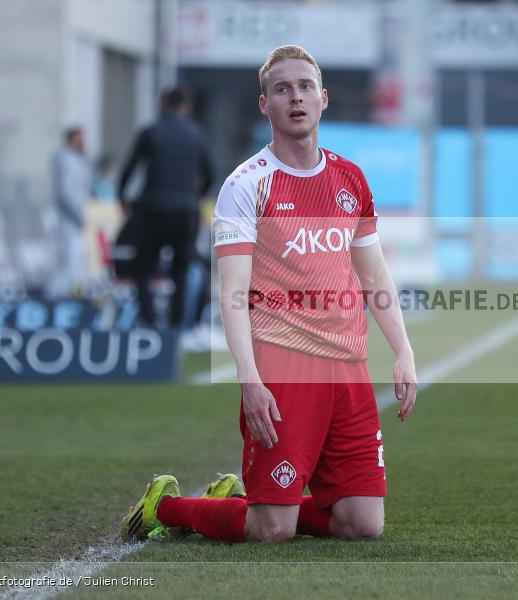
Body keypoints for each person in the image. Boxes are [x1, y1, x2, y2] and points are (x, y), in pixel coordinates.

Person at [120, 45, 418, 543]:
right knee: (271, 530)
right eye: (282, 89)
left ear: (322, 99)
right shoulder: (245, 186)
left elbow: (374, 276)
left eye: (305, 88)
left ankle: (245, 497)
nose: (295, 98)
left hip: (347, 366)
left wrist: (404, 350)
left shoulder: (350, 178)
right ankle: (167, 506)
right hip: (283, 365)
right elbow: (232, 292)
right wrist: (250, 379)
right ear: (266, 106)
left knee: (362, 525)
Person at [118, 86, 214, 328]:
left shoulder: (150, 132)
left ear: (162, 104)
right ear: (186, 108)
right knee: (180, 272)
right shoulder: (195, 134)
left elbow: (129, 170)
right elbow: (210, 174)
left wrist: (123, 200)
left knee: (142, 267)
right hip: (186, 212)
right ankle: (175, 328)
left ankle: (150, 321)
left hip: (154, 209)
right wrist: (195, 197)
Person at [48, 126, 90, 298]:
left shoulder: (76, 160)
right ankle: (53, 297)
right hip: (67, 218)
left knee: (77, 260)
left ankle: (77, 296)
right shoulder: (66, 161)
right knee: (69, 261)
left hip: (74, 217)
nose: (83, 143)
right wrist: (77, 214)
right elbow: (65, 192)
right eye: (79, 139)